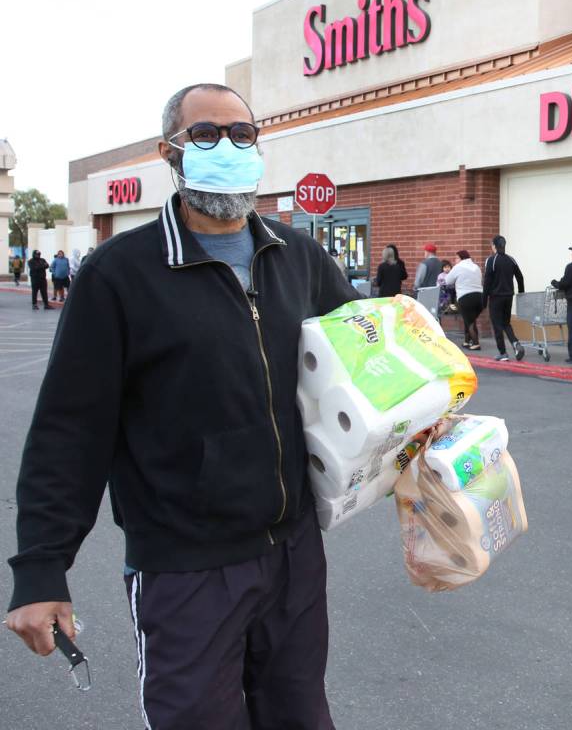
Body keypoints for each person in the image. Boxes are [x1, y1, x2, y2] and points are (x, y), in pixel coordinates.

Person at [6, 83, 358, 730]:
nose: (226, 145)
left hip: (294, 555)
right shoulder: (119, 275)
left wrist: (431, 448)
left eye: (241, 134)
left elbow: (372, 365)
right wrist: (41, 567)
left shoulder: (300, 257)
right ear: (169, 152)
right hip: (185, 567)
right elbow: (70, 431)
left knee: (301, 717)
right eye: (204, 134)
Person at [483, 235, 525, 362]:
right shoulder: (511, 260)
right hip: (508, 296)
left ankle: (503, 353)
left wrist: (484, 300)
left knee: (497, 325)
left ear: (494, 246)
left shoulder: (491, 260)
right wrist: (521, 293)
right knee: (506, 323)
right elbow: (520, 277)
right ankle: (515, 343)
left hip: (496, 297)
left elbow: (487, 282)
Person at [445, 250, 483, 350]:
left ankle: (476, 343)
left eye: (456, 258)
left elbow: (448, 281)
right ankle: (466, 341)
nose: (455, 260)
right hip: (480, 297)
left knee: (470, 321)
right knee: (469, 319)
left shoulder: (458, 267)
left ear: (461, 258)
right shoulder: (476, 267)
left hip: (465, 297)